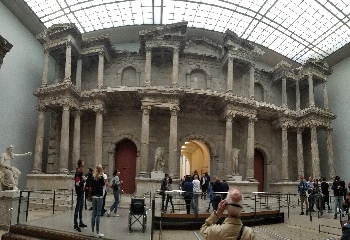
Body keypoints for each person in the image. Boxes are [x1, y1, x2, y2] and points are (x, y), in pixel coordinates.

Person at [90, 164, 105, 238]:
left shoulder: (93, 177)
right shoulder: (101, 177)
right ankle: (98, 232)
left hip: (94, 196)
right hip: (99, 197)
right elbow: (103, 184)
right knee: (98, 214)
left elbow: (91, 185)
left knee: (93, 214)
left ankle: (92, 232)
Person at [73, 159, 87, 232]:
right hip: (79, 191)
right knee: (78, 207)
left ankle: (80, 222)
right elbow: (77, 183)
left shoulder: (80, 171)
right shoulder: (78, 172)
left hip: (81, 190)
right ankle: (75, 224)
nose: (84, 163)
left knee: (81, 207)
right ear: (80, 164)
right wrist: (83, 180)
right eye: (83, 162)